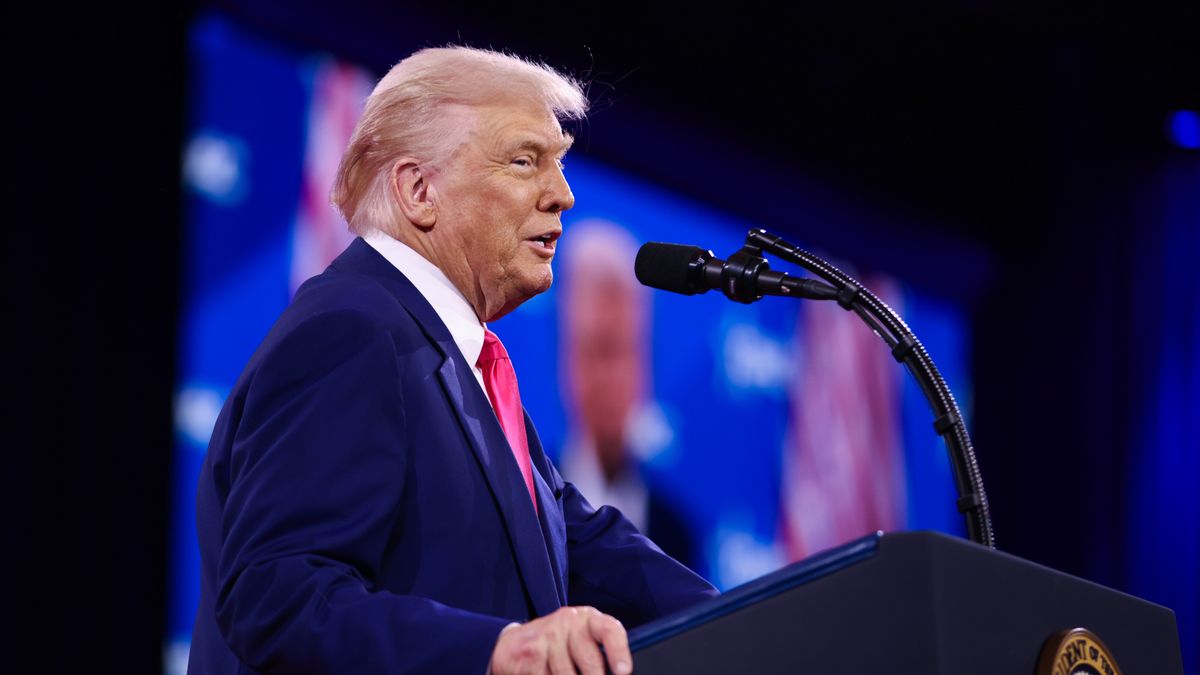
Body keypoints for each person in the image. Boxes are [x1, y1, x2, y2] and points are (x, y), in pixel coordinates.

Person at [187, 46, 718, 675]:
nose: (564, 196)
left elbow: (584, 545)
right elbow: (278, 596)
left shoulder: (454, 362)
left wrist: (767, 622)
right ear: (419, 190)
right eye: (525, 161)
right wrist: (496, 651)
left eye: (560, 165)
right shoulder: (351, 330)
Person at [558, 221, 701, 573]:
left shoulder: (676, 532)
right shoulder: (526, 502)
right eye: (597, 351)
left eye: (623, 352)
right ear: (567, 360)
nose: (609, 378)